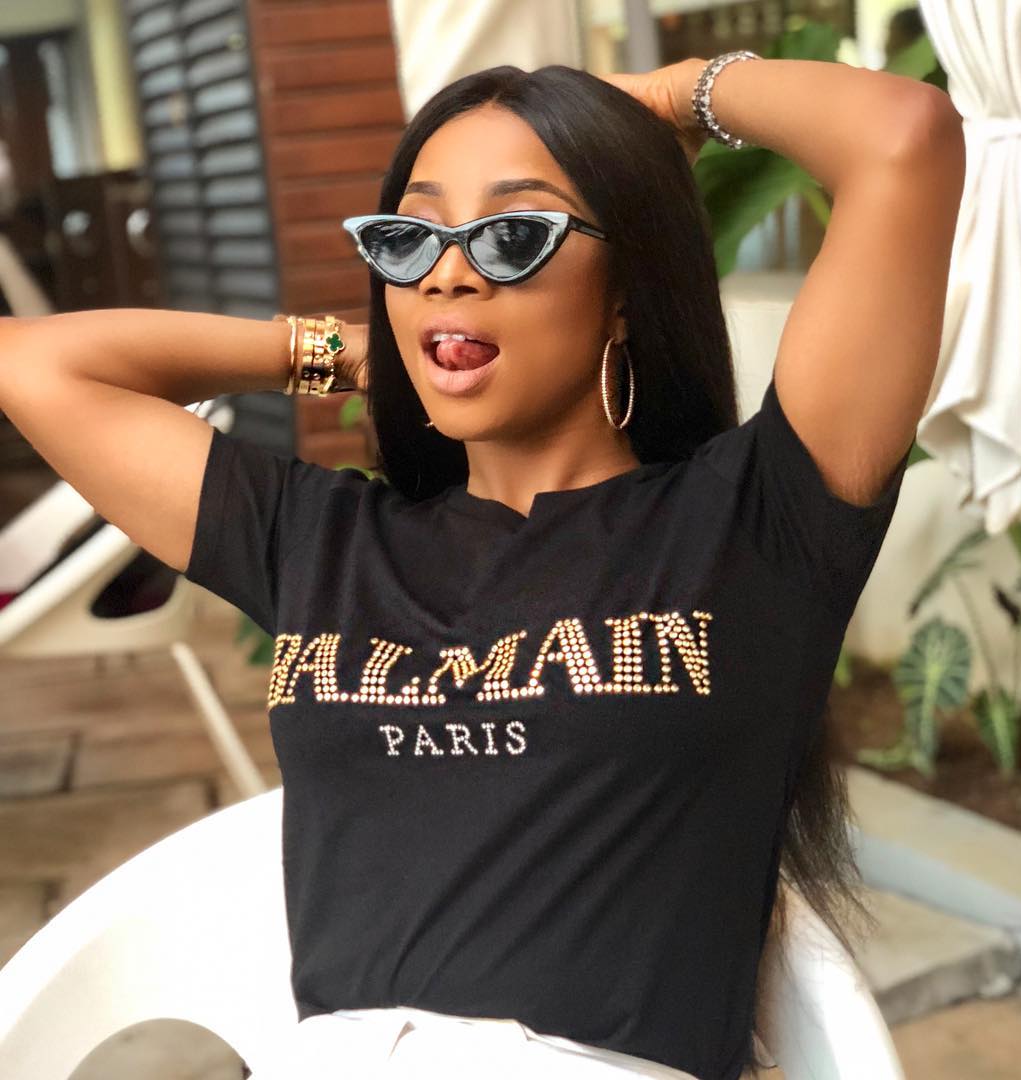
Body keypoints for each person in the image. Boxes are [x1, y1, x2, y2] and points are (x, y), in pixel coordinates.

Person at [0, 53, 965, 1080]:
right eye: (409, 239)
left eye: (512, 236)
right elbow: (33, 365)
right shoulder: (323, 540)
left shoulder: (751, 522)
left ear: (627, 288)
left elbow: (902, 138)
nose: (447, 275)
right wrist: (351, 351)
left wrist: (660, 98)